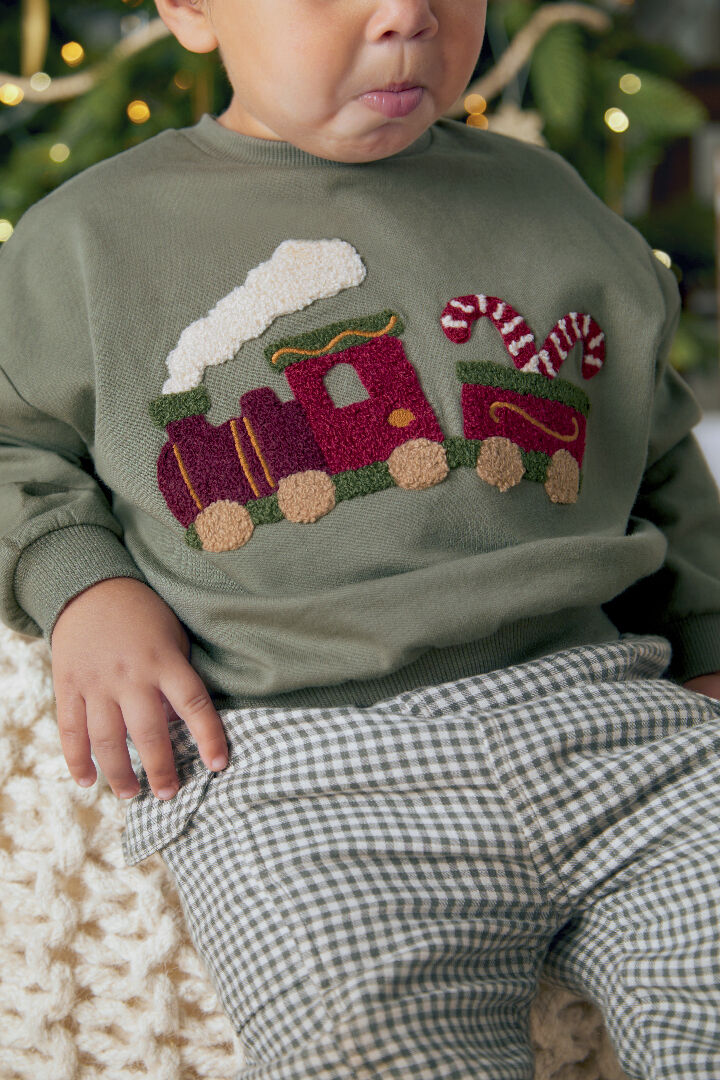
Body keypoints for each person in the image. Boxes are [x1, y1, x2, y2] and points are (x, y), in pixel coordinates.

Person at [1, 0, 719, 1076]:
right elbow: (12, 441)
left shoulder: (553, 206)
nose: (406, 16)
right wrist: (80, 581)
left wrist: (706, 645)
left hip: (605, 713)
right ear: (192, 10)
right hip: (301, 762)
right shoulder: (89, 239)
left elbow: (658, 451)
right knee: (365, 1042)